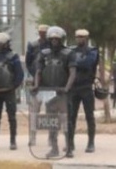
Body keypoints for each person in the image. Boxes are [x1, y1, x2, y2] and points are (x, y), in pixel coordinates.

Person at [33, 26, 76, 158]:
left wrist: (67, 88)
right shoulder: (44, 53)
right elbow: (38, 71)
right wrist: (36, 85)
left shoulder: (69, 53)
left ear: (62, 39)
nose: (54, 42)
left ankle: (68, 148)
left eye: (57, 39)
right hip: (48, 92)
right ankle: (54, 148)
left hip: (63, 92)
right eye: (52, 39)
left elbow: (72, 73)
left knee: (66, 121)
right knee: (51, 121)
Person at [0, 32, 24, 151]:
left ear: (7, 44)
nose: (0, 45)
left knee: (11, 117)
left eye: (2, 43)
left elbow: (19, 74)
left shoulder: (13, 57)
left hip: (9, 91)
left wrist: (14, 86)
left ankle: (13, 141)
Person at [66, 29, 99, 158]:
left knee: (89, 116)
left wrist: (74, 63)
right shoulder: (71, 51)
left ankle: (91, 143)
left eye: (82, 37)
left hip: (86, 87)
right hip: (73, 88)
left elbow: (87, 63)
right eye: (78, 37)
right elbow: (67, 64)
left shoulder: (92, 51)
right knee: (71, 117)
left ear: (86, 38)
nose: (80, 39)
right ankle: (70, 143)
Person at [25, 24, 50, 146]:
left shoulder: (53, 46)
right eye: (41, 32)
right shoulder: (33, 45)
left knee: (52, 112)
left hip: (51, 83)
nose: (43, 34)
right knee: (34, 111)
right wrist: (36, 75)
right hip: (37, 83)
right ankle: (32, 137)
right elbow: (28, 63)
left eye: (45, 32)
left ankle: (52, 137)